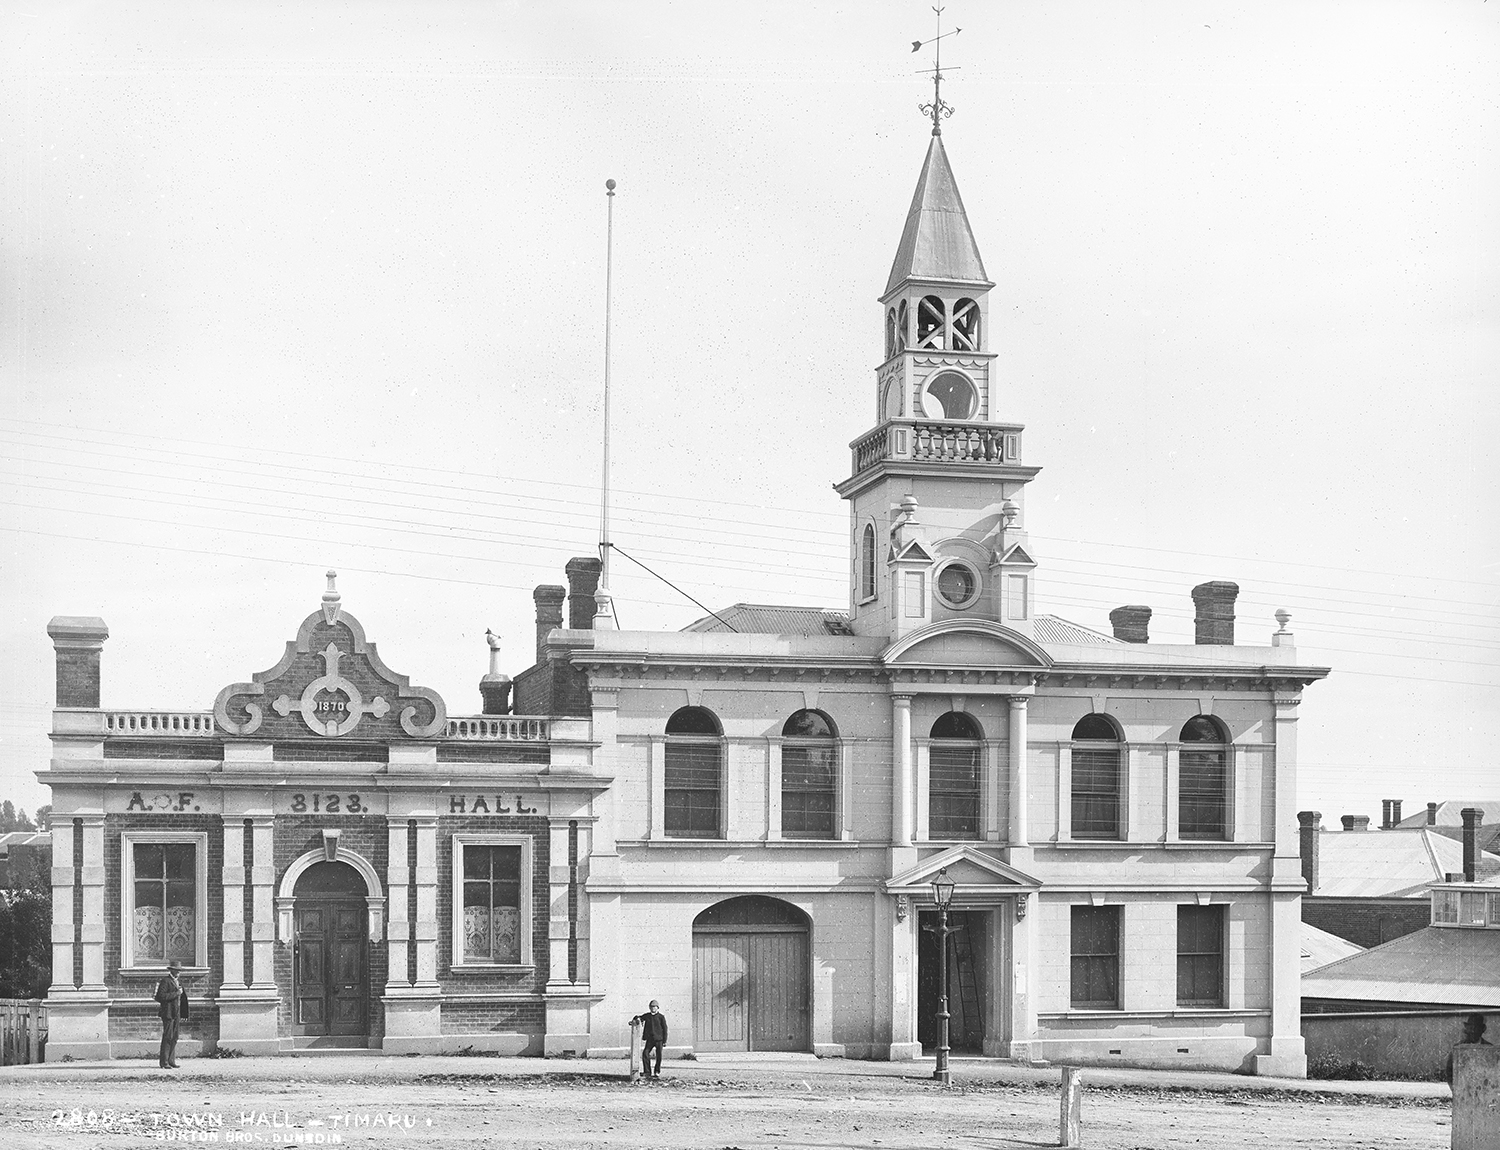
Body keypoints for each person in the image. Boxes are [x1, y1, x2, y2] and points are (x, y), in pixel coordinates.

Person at [153, 959, 190, 1069]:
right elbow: (160, 997)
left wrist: (184, 1014)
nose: (178, 972)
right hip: (168, 1013)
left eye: (179, 970)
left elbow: (183, 999)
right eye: (176, 970)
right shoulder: (165, 981)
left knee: (175, 1036)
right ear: (171, 970)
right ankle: (164, 1062)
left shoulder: (178, 982)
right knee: (168, 1036)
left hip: (176, 1013)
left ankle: (171, 1060)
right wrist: (176, 993)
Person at [1445, 1013, 1493, 1084]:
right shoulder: (1458, 1048)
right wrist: (1455, 1088)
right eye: (1470, 1027)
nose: (1473, 1030)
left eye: (1476, 1027)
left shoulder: (1490, 1049)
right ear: (1466, 1028)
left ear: (1482, 1029)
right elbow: (1449, 1072)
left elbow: (1493, 1073)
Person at [631, 1000, 668, 1080]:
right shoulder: (647, 1016)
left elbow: (665, 1029)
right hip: (650, 1039)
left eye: (654, 1007)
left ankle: (657, 1071)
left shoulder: (661, 1017)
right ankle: (647, 1072)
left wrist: (664, 1041)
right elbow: (639, 1017)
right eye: (651, 1007)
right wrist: (636, 1019)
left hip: (659, 1040)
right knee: (645, 1053)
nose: (653, 1008)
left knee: (659, 1056)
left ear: (657, 1008)